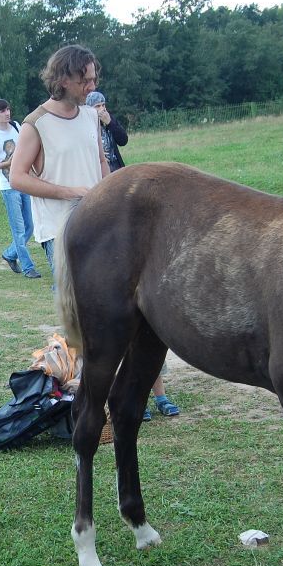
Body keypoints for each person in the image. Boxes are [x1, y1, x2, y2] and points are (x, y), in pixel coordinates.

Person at [86, 89, 180, 421]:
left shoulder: (107, 124)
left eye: (102, 103)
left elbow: (123, 141)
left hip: (125, 202)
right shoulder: (83, 130)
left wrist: (109, 121)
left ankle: (159, 394)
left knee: (145, 322)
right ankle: (122, 393)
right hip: (99, 209)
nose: (99, 108)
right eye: (95, 104)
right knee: (117, 325)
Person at [7, 45, 109, 277]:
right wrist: (70, 192)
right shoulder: (35, 123)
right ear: (63, 79)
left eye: (93, 80)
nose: (92, 87)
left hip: (98, 223)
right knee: (75, 307)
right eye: (85, 81)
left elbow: (101, 161)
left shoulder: (91, 116)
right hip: (60, 232)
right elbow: (17, 177)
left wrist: (111, 197)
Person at [0, 99, 41, 279]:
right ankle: (28, 267)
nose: (7, 113)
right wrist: (5, 164)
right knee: (19, 230)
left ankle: (10, 254)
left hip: (25, 182)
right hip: (8, 187)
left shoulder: (16, 127)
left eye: (7, 109)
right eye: (2, 111)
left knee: (30, 226)